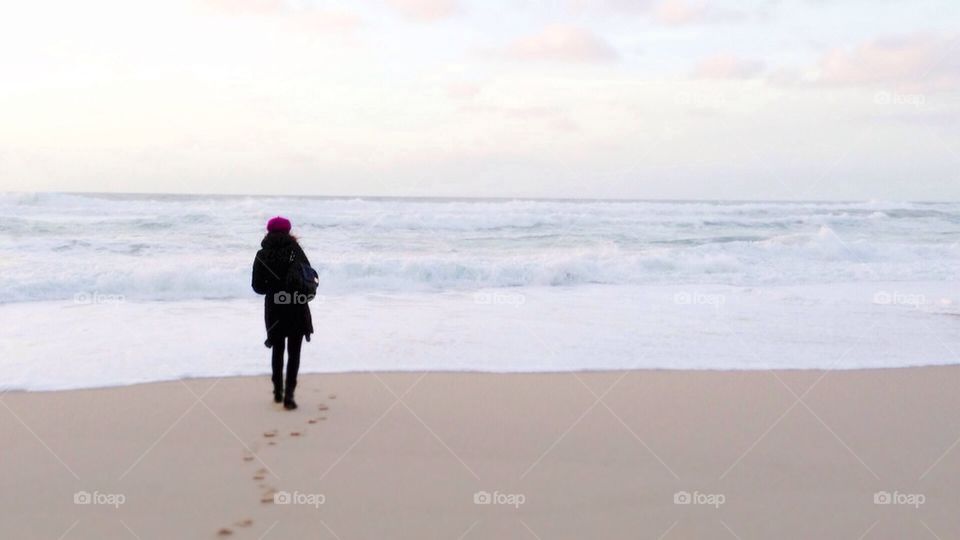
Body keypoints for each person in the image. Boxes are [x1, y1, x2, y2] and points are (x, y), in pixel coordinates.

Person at [251, 216, 313, 410]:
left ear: (268, 232)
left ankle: (277, 392)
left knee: (277, 350)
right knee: (294, 352)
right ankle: (289, 397)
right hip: (296, 305)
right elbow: (308, 276)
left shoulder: (262, 254)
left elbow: (257, 287)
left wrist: (272, 287)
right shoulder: (296, 251)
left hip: (274, 308)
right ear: (288, 231)